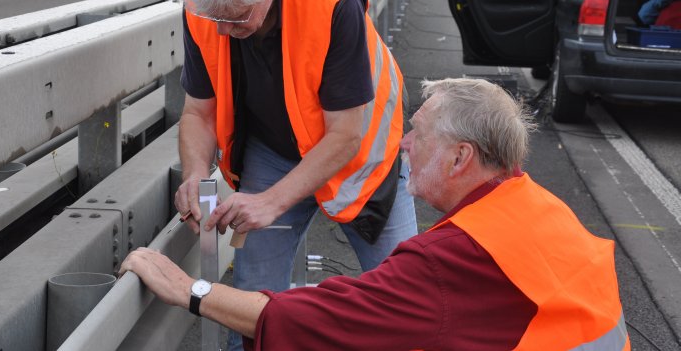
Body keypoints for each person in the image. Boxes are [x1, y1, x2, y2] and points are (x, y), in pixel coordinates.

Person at [121, 77, 629, 351]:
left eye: (420, 132)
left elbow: (320, 320)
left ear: (459, 158)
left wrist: (189, 290)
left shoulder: (454, 259)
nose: (404, 142)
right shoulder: (536, 206)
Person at [170, 0, 418, 350]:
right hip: (275, 148)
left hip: (366, 160)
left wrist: (271, 201)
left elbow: (344, 135)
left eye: (237, 17)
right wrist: (194, 173)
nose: (224, 31)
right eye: (216, 18)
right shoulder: (203, 6)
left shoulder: (332, 3)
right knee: (252, 295)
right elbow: (198, 111)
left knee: (405, 296)